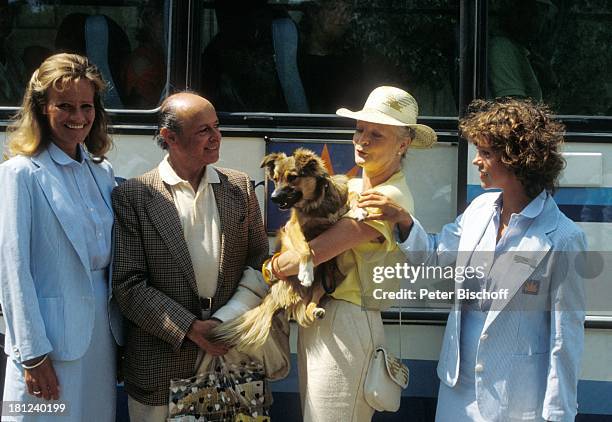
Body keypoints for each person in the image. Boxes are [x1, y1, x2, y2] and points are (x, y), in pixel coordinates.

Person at [363, 98, 586, 421]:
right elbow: (434, 259)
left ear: (516, 159)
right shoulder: (480, 210)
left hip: (517, 404)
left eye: (486, 153)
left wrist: (558, 416)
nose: (476, 161)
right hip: (458, 392)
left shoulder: (564, 238)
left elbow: (564, 343)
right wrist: (403, 221)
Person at [270, 86, 437, 421]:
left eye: (376, 134)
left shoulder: (389, 198)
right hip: (320, 316)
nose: (362, 140)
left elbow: (312, 254)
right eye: (359, 130)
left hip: (348, 320)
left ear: (402, 144)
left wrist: (271, 268)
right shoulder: (354, 188)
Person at [111, 92, 270, 422]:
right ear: (169, 137)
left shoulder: (239, 187)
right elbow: (128, 286)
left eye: (216, 126)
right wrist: (191, 328)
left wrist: (224, 323)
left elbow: (258, 261)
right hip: (161, 365)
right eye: (203, 131)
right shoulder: (134, 196)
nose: (216, 138)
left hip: (231, 359)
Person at [0, 53, 121, 421]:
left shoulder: (102, 172)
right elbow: (12, 270)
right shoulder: (20, 173)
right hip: (47, 344)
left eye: (86, 106)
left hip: (101, 337)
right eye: (65, 106)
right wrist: (31, 353)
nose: (78, 117)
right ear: (41, 108)